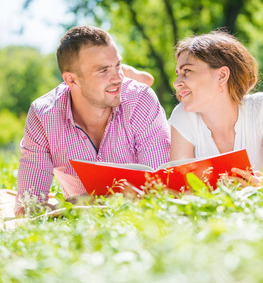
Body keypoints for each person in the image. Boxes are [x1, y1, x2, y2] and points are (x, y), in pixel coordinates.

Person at [15, 25, 170, 216]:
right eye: (103, 70)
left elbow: (160, 191)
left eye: (118, 65)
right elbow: (28, 206)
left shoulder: (140, 99)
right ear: (71, 80)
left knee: (131, 86)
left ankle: (134, 75)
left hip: (130, 216)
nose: (117, 78)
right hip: (88, 221)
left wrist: (88, 200)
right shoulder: (43, 115)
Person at [169, 30, 263, 187]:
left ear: (221, 75)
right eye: (177, 74)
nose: (176, 82)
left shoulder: (261, 108)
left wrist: (260, 187)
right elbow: (179, 189)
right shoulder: (183, 117)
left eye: (187, 71)